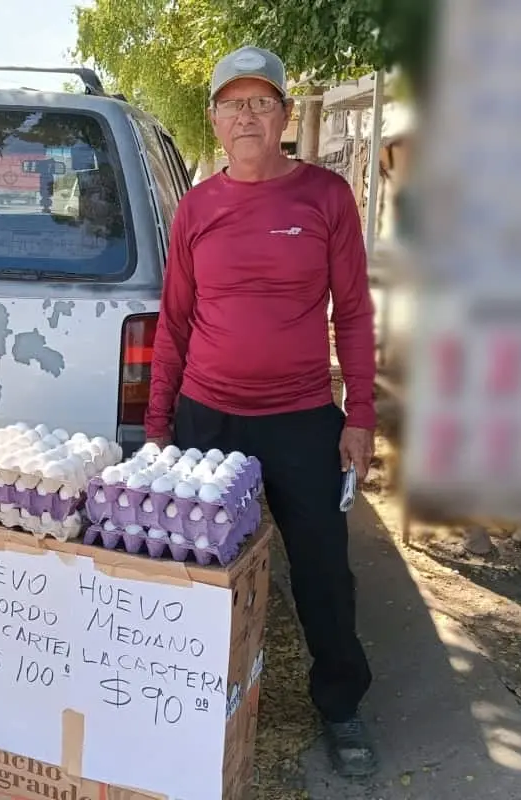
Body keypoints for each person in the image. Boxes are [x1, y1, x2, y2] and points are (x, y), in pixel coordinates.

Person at [144, 45, 379, 778]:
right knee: (195, 569)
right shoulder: (197, 207)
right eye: (231, 103)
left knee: (322, 572)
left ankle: (341, 704)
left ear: (283, 113)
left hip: (303, 418)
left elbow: (356, 313)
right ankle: (188, 701)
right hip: (206, 421)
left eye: (260, 101)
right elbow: (174, 321)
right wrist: (158, 429)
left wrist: (361, 415)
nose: (246, 115)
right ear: (213, 118)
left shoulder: (325, 196)